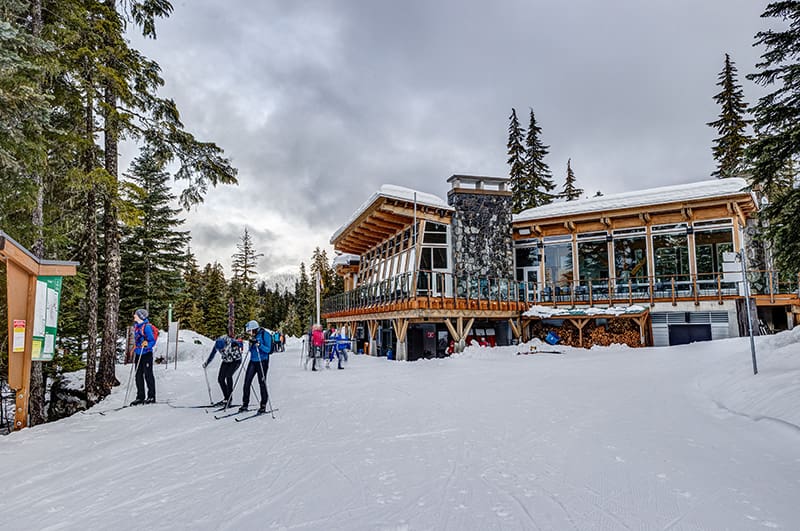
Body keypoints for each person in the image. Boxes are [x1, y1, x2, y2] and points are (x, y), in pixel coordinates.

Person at [240, 320, 272, 413]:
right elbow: (251, 350)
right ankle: (245, 404)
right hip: (253, 361)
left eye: (250, 331)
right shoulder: (253, 336)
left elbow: (268, 350)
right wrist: (251, 344)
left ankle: (263, 405)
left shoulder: (265, 335)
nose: (249, 333)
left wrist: (259, 344)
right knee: (247, 382)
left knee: (262, 383)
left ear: (254, 329)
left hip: (262, 361)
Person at [203, 333, 243, 406]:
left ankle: (229, 399)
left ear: (225, 344)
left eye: (222, 348)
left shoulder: (231, 341)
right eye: (220, 349)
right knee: (220, 379)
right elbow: (212, 354)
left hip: (235, 360)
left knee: (228, 376)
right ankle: (226, 398)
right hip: (226, 360)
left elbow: (240, 343)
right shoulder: (217, 344)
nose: (221, 350)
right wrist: (207, 362)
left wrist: (238, 345)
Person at [131, 309, 157, 405]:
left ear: (140, 316)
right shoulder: (137, 326)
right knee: (138, 376)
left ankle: (151, 396)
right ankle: (140, 397)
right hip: (138, 353)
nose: (134, 315)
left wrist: (147, 344)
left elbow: (152, 340)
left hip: (146, 353)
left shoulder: (146, 327)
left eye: (136, 314)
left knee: (148, 375)